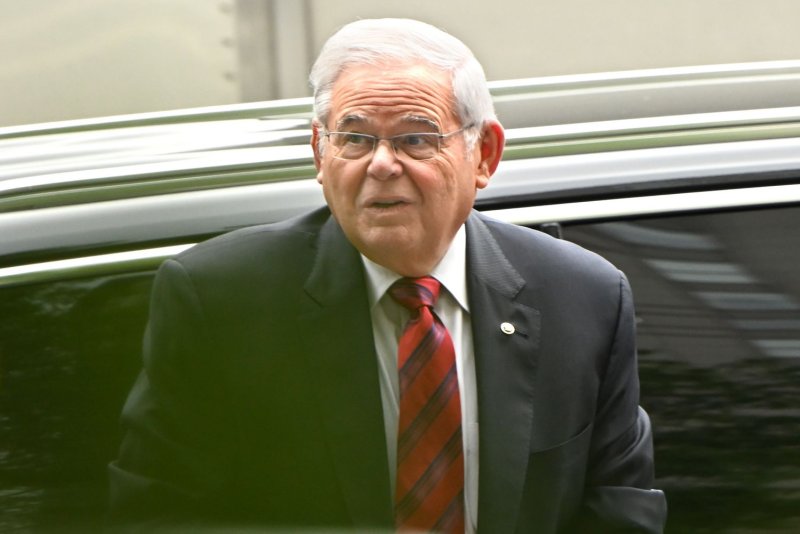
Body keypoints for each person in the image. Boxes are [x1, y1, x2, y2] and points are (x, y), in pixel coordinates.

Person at [109, 18, 667, 533]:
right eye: (354, 138)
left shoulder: (583, 298)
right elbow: (158, 515)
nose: (380, 164)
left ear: (484, 155)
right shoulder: (220, 300)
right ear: (319, 154)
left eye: (415, 138)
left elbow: (620, 508)